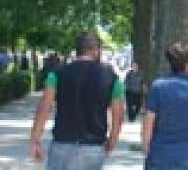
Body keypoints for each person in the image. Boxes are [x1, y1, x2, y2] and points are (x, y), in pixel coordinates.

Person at [29, 32, 124, 169]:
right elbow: (118, 115)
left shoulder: (57, 74)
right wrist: (112, 140)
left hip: (62, 145)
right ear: (96, 50)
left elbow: (44, 108)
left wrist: (35, 139)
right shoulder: (111, 78)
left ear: (77, 49)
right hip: (93, 146)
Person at [141, 43, 188, 170]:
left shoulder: (158, 86)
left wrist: (145, 146)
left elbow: (148, 121)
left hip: (159, 154)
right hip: (187, 157)